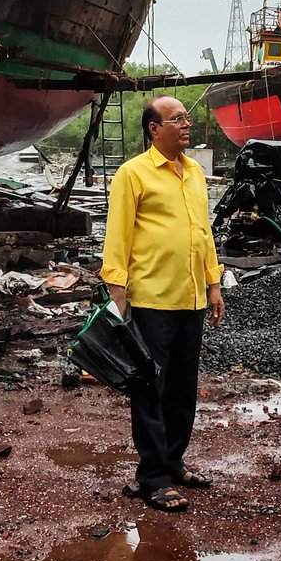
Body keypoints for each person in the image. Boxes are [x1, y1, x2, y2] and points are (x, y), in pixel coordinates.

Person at [100, 94, 225, 513]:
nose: (187, 124)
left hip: (190, 299)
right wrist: (117, 291)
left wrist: (214, 283)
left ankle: (173, 462)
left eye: (187, 118)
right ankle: (151, 476)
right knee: (150, 388)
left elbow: (203, 233)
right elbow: (117, 235)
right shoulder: (132, 174)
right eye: (177, 119)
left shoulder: (194, 173)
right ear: (154, 129)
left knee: (182, 388)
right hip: (152, 299)